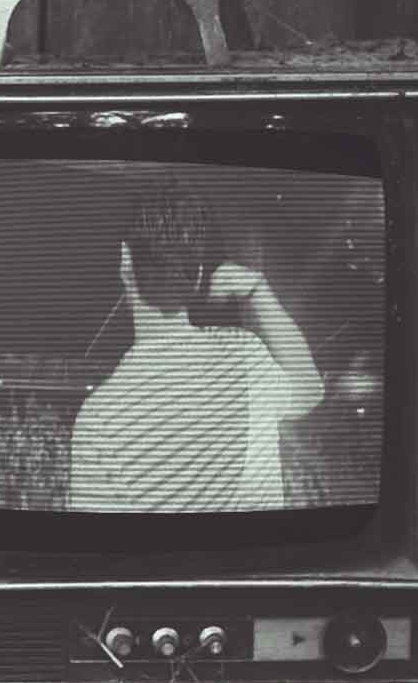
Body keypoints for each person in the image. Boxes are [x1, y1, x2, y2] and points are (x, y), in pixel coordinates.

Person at [69, 185, 323, 513]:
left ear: (125, 262)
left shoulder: (98, 419)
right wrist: (259, 290)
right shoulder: (245, 355)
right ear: (199, 274)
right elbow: (310, 390)